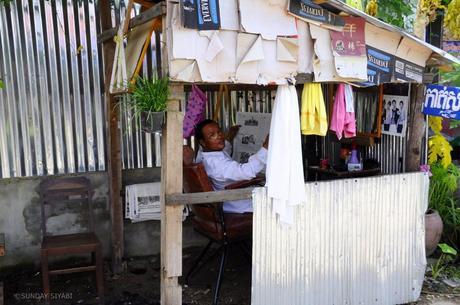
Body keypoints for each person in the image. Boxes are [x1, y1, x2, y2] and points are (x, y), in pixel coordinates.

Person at [195, 119, 269, 213]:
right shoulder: (217, 164)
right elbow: (247, 172)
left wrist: (230, 137)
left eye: (219, 132)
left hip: (228, 202)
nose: (219, 136)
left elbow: (224, 151)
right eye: (212, 135)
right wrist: (266, 147)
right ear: (203, 142)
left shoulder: (203, 154)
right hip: (239, 205)